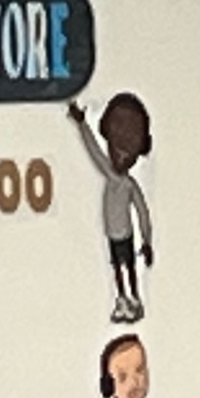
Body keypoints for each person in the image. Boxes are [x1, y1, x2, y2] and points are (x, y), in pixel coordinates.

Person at [70, 94, 155, 322]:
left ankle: (134, 297)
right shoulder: (109, 174)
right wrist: (81, 124)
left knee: (129, 266)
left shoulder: (128, 185)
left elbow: (143, 214)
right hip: (113, 233)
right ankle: (122, 297)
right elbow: (93, 150)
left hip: (124, 233)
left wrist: (147, 241)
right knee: (118, 266)